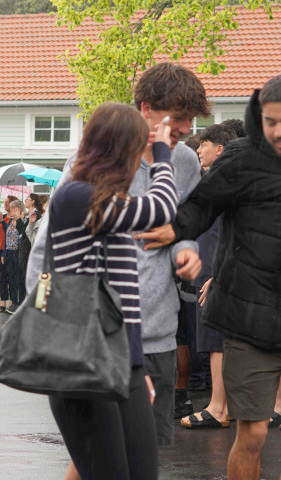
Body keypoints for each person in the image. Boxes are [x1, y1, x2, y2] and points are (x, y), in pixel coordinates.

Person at [28, 63, 208, 456]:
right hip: (96, 334)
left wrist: (186, 249)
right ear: (146, 109)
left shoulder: (186, 163)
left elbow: (179, 224)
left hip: (156, 331)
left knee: (141, 452)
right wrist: (43, 312)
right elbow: (48, 246)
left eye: (190, 121)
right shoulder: (92, 161)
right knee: (98, 453)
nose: (184, 130)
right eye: (177, 118)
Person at [136, 75, 281, 479]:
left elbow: (190, 217)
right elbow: (199, 209)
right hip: (250, 317)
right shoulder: (239, 158)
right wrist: (178, 234)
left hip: (168, 325)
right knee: (251, 434)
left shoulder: (183, 160)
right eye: (272, 120)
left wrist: (183, 243)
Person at [48, 102, 176, 479]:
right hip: (83, 366)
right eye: (137, 150)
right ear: (119, 152)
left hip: (125, 363)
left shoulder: (110, 205)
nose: (141, 161)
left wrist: (137, 365)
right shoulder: (77, 198)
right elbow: (162, 207)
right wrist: (163, 153)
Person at [178, 124, 238, 428]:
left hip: (218, 271)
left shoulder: (226, 182)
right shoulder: (221, 180)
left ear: (221, 149)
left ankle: (218, 408)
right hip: (214, 269)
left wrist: (220, 273)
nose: (199, 149)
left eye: (205, 144)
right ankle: (222, 405)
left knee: (217, 341)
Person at [0, 195, 18, 313]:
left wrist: (2, 221)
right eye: (5, 202)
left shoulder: (12, 218)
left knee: (10, 276)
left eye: (7, 203)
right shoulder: (3, 218)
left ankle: (12, 301)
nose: (5, 204)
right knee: (1, 277)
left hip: (8, 249)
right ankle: (3, 302)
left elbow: (9, 232)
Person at [2, 199, 26, 315]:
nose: (11, 210)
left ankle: (20, 302)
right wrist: (4, 253)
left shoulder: (23, 220)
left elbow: (23, 234)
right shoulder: (10, 222)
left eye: (13, 208)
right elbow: (6, 238)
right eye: (10, 208)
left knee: (19, 279)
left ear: (19, 209)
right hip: (9, 252)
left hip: (18, 252)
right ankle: (13, 302)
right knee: (11, 279)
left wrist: (18, 221)